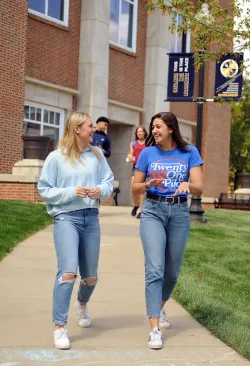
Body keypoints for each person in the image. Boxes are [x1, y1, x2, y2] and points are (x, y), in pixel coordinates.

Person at [38, 112, 114, 350]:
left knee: (90, 277)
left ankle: (82, 303)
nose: (95, 130)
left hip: (91, 218)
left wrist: (98, 190)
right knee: (68, 272)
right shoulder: (56, 157)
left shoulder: (98, 155)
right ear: (77, 129)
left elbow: (109, 183)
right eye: (90, 126)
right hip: (66, 218)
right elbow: (44, 188)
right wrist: (72, 192)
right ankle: (59, 326)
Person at [132, 112, 203, 349]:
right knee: (155, 269)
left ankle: (159, 306)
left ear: (171, 128)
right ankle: (154, 328)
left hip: (179, 213)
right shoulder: (147, 153)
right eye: (152, 127)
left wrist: (188, 185)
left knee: (172, 272)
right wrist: (147, 184)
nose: (154, 130)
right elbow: (135, 187)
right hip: (153, 210)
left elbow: (199, 188)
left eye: (158, 126)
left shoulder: (189, 152)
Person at [126, 126, 148, 219]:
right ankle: (135, 205)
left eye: (141, 131)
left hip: (145, 168)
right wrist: (130, 157)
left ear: (144, 133)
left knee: (142, 189)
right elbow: (131, 154)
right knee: (134, 189)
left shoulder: (148, 143)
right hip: (135, 168)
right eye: (138, 131)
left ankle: (141, 209)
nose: (139, 133)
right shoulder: (133, 143)